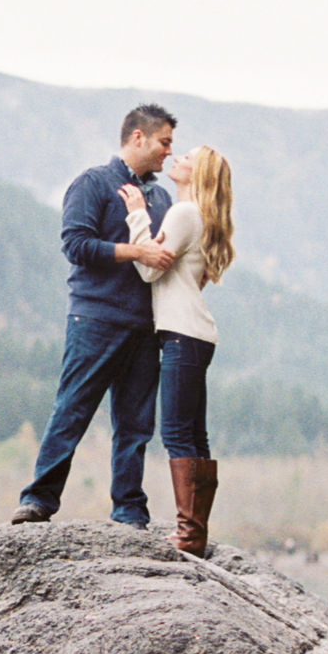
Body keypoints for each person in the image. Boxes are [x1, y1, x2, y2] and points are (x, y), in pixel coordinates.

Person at [11, 105, 181, 528]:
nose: (169, 153)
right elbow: (76, 245)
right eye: (164, 142)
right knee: (73, 409)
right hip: (96, 319)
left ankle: (129, 510)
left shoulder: (160, 198)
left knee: (136, 425)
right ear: (138, 137)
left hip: (145, 326)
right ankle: (38, 501)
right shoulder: (92, 183)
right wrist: (136, 251)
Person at [122, 143, 236, 555]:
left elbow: (150, 267)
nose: (178, 159)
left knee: (175, 433)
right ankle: (195, 532)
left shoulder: (185, 213)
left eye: (188, 157)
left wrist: (136, 213)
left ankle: (188, 535)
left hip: (180, 335)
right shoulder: (199, 217)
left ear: (198, 174)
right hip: (196, 335)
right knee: (194, 434)